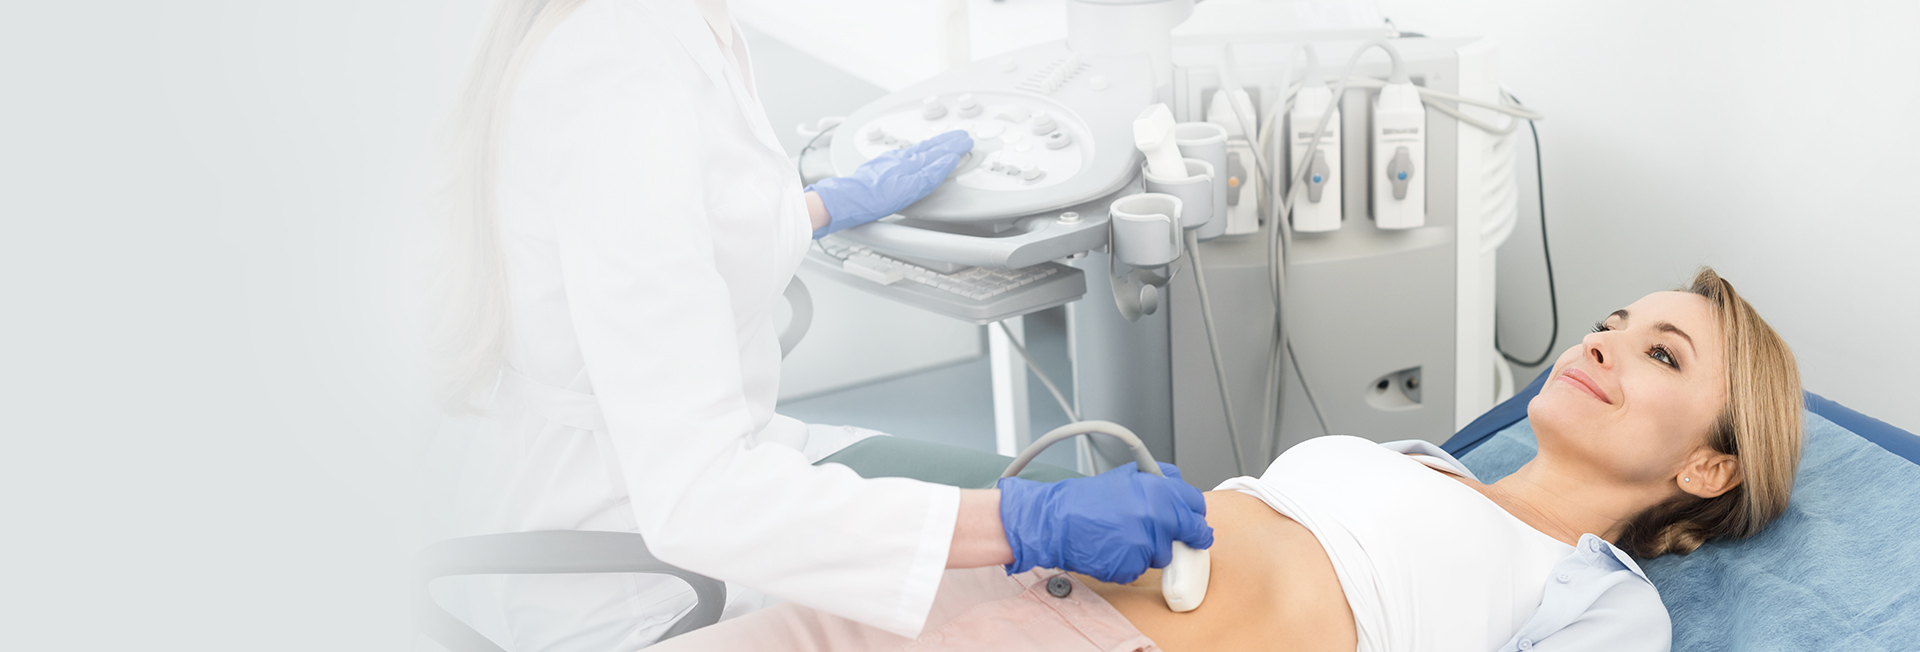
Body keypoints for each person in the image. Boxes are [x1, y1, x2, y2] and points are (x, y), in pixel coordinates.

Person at [423, 0, 1213, 648]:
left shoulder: (671, 27)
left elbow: (688, 231)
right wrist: (1020, 525)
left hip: (726, 467)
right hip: (641, 577)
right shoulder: (620, 77)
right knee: (1072, 583)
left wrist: (819, 207)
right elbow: (699, 499)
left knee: (1062, 505)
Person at [651, 268, 1804, 652]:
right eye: (1611, 321)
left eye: (1661, 353)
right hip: (974, 583)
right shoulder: (1419, 460)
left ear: (1711, 467)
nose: (1601, 341)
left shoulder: (1600, 595)